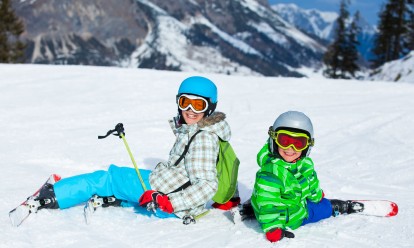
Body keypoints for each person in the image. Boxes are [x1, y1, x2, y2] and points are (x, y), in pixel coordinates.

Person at [23, 76, 240, 222]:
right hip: (166, 188)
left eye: (198, 105)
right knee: (125, 180)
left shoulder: (203, 139)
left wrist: (169, 202)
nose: (190, 110)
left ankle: (54, 194)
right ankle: (120, 197)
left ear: (210, 107)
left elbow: (208, 184)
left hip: (167, 197)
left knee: (107, 178)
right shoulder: (205, 131)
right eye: (185, 102)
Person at [249, 111, 358, 243]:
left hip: (286, 201)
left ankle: (253, 207)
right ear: (274, 139)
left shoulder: (305, 164)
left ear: (308, 145)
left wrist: (317, 195)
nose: (290, 148)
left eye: (298, 143)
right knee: (320, 208)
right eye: (284, 140)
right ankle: (334, 207)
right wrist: (273, 228)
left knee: (316, 201)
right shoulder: (271, 174)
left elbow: (311, 183)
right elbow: (267, 202)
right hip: (291, 215)